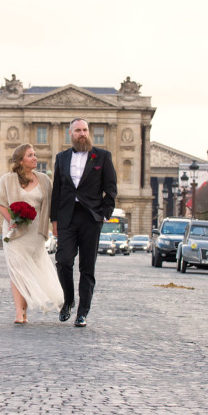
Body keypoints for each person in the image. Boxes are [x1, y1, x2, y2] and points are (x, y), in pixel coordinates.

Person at [50, 118, 117, 328]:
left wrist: (104, 213)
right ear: (70, 134)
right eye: (78, 130)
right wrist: (54, 219)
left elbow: (111, 186)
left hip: (90, 217)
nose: (82, 134)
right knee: (63, 261)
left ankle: (82, 313)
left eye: (85, 130)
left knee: (87, 267)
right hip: (67, 216)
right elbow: (57, 191)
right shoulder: (61, 158)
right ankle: (68, 301)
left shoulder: (103, 156)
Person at [0, 143, 63, 324]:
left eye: (35, 154)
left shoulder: (45, 180)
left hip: (35, 232)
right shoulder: (8, 179)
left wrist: (54, 225)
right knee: (16, 270)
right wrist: (11, 220)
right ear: (21, 160)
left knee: (30, 269)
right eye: (30, 155)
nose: (35, 158)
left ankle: (25, 308)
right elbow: (0, 202)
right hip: (15, 232)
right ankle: (19, 312)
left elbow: (51, 204)